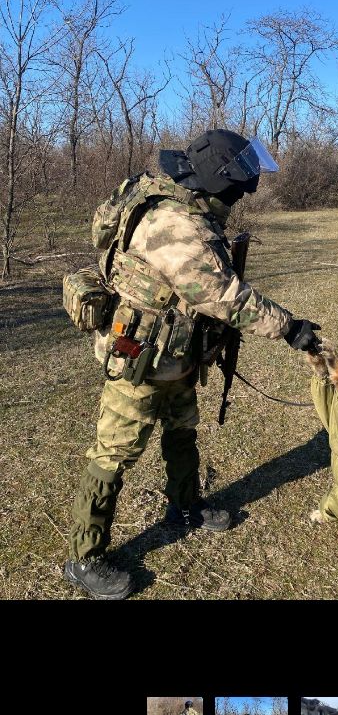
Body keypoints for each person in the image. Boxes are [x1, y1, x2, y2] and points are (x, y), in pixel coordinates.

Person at [64, 130, 320, 599]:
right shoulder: (176, 223)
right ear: (219, 177)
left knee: (182, 429)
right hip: (138, 359)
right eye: (240, 180)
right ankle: (84, 556)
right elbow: (223, 296)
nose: (245, 191)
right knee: (113, 454)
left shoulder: (172, 196)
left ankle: (184, 507)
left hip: (175, 352)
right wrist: (290, 328)